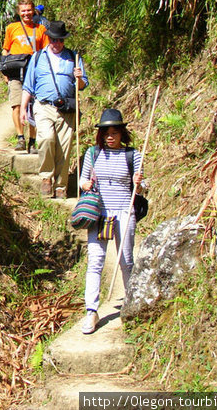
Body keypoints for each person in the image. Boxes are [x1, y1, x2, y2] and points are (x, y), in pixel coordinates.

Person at [78, 109, 146, 334]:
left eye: (115, 132)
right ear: (100, 134)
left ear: (122, 134)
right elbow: (82, 179)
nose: (110, 136)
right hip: (100, 213)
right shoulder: (92, 154)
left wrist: (140, 181)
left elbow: (142, 188)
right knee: (95, 260)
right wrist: (84, 185)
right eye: (106, 132)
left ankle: (132, 305)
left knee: (126, 260)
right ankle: (91, 311)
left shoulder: (133, 155)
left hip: (125, 211)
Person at [20, 21, 88, 198]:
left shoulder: (73, 57)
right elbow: (28, 86)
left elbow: (81, 86)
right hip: (43, 106)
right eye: (53, 40)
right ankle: (46, 178)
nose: (56, 44)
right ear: (48, 39)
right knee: (46, 139)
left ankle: (61, 185)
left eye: (60, 40)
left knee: (64, 147)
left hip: (66, 108)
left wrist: (79, 78)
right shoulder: (37, 57)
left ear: (64, 41)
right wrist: (22, 109)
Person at [1, 0, 49, 152]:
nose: (26, 13)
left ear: (34, 11)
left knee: (33, 106)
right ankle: (20, 138)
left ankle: (32, 141)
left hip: (34, 73)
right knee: (16, 105)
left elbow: (46, 52)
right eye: (23, 10)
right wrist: (4, 71)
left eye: (29, 10)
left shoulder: (41, 29)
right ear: (18, 12)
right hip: (15, 72)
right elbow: (5, 50)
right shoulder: (12, 28)